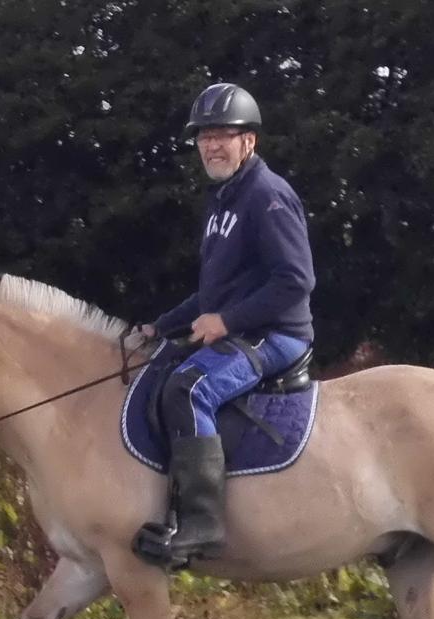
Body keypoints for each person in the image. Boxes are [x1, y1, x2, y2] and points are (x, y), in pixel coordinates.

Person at [135, 82, 316, 569]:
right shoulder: (224, 200)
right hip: (242, 327)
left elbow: (296, 281)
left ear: (248, 142)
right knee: (157, 371)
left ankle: (202, 524)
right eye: (204, 137)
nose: (211, 145)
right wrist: (161, 327)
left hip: (276, 335)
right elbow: (212, 295)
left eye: (223, 135)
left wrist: (228, 320)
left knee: (189, 388)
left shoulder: (267, 197)